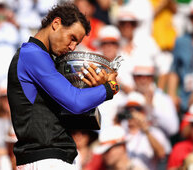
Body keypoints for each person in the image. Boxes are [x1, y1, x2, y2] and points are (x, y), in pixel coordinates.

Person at [7, 3, 119, 170]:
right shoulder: (32, 54)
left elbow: (75, 114)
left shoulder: (45, 59)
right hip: (46, 160)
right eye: (72, 38)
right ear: (56, 24)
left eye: (77, 42)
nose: (73, 47)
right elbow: (75, 102)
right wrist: (110, 88)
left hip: (50, 158)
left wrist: (94, 89)